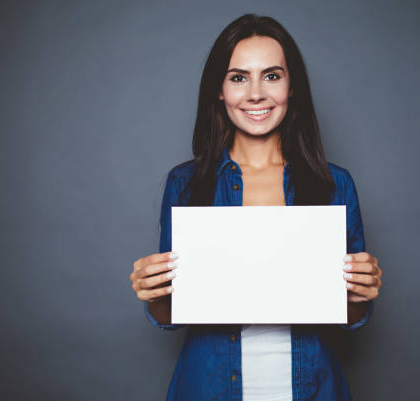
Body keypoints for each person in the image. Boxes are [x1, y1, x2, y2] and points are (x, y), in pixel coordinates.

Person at [129, 13, 383, 401]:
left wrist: (360, 291)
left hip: (312, 387)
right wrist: (154, 291)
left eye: (272, 75)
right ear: (220, 89)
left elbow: (351, 317)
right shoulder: (186, 183)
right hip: (209, 387)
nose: (255, 94)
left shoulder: (334, 184)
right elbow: (170, 315)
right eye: (238, 77)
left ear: (291, 86)